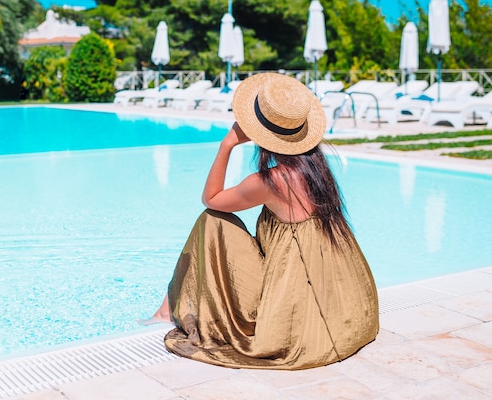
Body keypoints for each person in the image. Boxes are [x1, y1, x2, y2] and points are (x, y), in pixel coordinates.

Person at [145, 73, 379, 369]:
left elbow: (211, 198)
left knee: (211, 220)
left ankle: (168, 308)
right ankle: (168, 305)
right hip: (345, 305)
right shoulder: (317, 170)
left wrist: (227, 144)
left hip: (293, 297)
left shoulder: (272, 180)